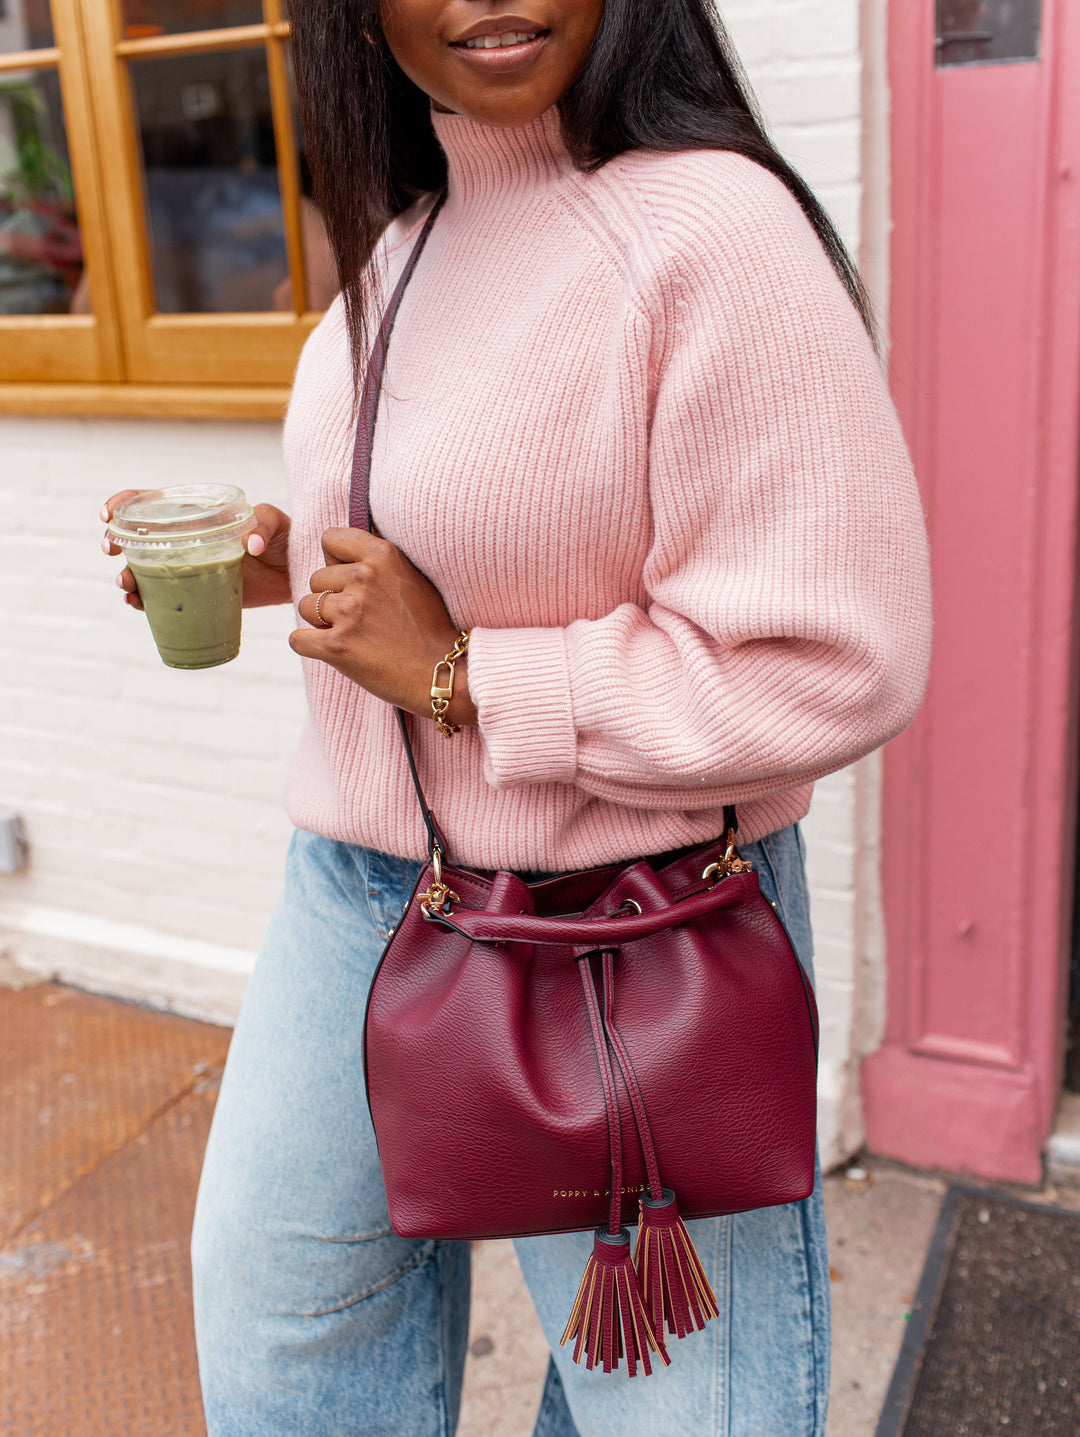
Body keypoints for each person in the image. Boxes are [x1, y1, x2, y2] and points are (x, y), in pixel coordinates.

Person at [101, 1, 931, 1432]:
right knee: (285, 1347)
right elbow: (481, 525)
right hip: (358, 896)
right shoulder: (407, 240)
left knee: (668, 1405)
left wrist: (465, 675)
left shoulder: (708, 231)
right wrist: (287, 561)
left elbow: (834, 662)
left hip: (629, 929)